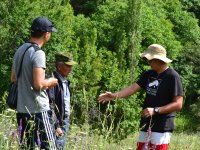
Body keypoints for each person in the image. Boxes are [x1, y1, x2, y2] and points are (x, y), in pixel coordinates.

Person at [98, 44, 183, 150]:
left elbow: (178, 104)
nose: (148, 62)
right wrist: (114, 96)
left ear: (158, 60)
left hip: (162, 127)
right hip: (145, 124)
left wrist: (156, 110)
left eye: (150, 59)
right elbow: (132, 88)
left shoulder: (173, 76)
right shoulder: (148, 74)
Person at [11, 16, 58, 150]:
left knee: (27, 147)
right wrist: (50, 82)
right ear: (46, 34)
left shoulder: (20, 50)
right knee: (50, 147)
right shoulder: (38, 53)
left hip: (21, 110)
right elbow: (38, 84)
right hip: (38, 111)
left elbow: (13, 78)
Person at [47, 52, 77, 150]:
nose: (70, 69)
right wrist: (56, 126)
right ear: (59, 66)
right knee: (57, 146)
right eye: (68, 66)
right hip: (57, 122)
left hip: (64, 121)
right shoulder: (53, 81)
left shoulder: (65, 81)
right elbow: (50, 105)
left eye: (71, 66)